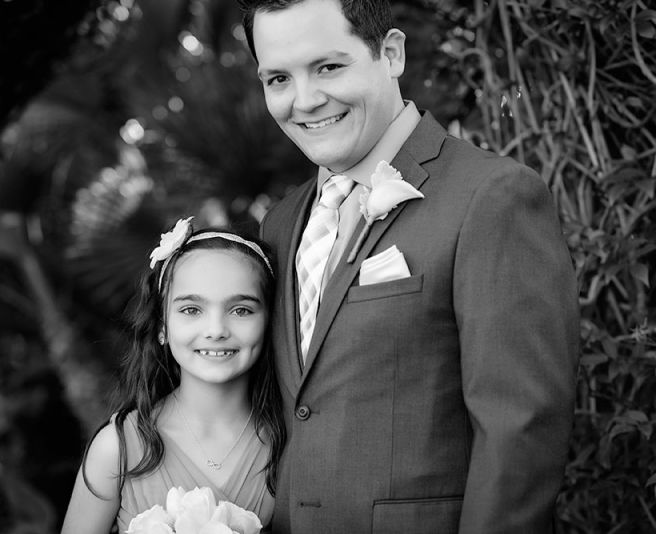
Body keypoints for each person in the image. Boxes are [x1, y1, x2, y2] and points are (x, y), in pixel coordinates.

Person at [237, 0, 580, 532]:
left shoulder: (491, 196)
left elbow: (520, 431)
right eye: (278, 78)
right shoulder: (279, 224)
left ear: (391, 53)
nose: (304, 101)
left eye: (328, 67)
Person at [61, 218, 285, 533]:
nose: (216, 331)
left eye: (241, 310)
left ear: (268, 322)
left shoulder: (290, 445)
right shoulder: (117, 449)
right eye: (192, 310)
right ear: (163, 327)